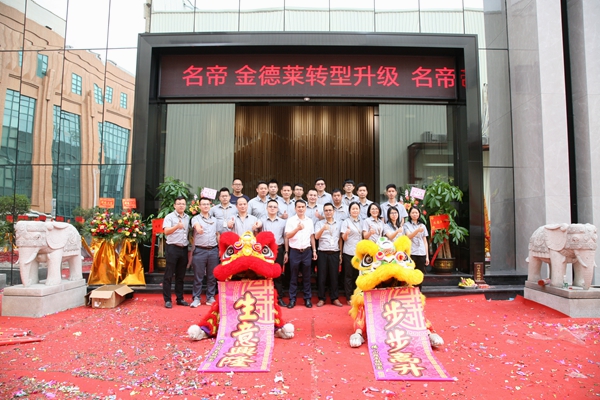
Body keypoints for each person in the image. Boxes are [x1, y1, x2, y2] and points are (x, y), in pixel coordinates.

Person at [285, 199, 317, 308]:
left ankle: (307, 299)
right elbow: (288, 236)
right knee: (293, 277)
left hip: (307, 251)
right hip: (294, 251)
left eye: (303, 207)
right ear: (295, 208)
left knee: (307, 277)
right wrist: (297, 229)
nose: (301, 209)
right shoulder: (291, 220)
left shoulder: (309, 221)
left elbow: (312, 236)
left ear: (305, 208)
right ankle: (292, 299)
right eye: (299, 207)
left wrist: (314, 250)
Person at [190, 197, 220, 307]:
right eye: (203, 204)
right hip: (200, 250)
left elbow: (218, 234)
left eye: (207, 204)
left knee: (212, 276)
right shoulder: (195, 218)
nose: (206, 206)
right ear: (199, 206)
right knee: (198, 276)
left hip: (213, 250)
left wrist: (220, 249)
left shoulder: (215, 220)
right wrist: (199, 229)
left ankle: (210, 297)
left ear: (210, 206)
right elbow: (196, 226)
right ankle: (196, 298)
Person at [162, 196, 190, 308]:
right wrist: (177, 226)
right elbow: (166, 231)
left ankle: (180, 298)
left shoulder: (187, 217)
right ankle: (167, 299)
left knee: (181, 276)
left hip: (184, 249)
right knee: (168, 275)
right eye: (179, 204)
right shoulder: (169, 217)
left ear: (185, 205)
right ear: (174, 205)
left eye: (183, 204)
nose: (181, 206)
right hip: (172, 248)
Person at [314, 203, 343, 307]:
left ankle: (334, 298)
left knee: (334, 277)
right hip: (322, 252)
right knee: (321, 277)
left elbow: (340, 239)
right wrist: (323, 229)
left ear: (333, 211)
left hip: (334, 252)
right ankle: (321, 298)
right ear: (324, 212)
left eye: (330, 210)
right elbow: (316, 237)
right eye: (326, 210)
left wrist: (340, 253)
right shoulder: (319, 223)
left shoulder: (339, 223)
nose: (328, 212)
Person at [261, 199, 289, 307]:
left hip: (279, 249)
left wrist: (286, 251)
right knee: (265, 274)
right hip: (265, 251)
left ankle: (279, 297)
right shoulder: (262, 221)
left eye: (274, 207)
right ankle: (265, 297)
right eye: (270, 206)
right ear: (266, 208)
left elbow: (285, 237)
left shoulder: (282, 222)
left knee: (278, 273)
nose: (272, 208)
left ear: (278, 209)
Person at [341, 202, 362, 305]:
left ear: (359, 210)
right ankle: (349, 296)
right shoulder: (346, 222)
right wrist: (346, 233)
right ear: (349, 211)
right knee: (348, 275)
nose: (355, 210)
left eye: (356, 209)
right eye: (353, 209)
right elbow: (343, 238)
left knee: (357, 275)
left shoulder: (362, 222)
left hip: (359, 253)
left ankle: (357, 295)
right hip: (349, 252)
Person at [404, 206, 429, 289]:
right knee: (411, 273)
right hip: (412, 252)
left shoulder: (423, 225)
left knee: (420, 274)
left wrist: (427, 256)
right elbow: (409, 236)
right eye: (413, 213)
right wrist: (417, 230)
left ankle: (419, 291)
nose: (415, 214)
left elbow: (425, 241)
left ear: (419, 214)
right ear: (409, 214)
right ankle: (411, 292)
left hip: (421, 252)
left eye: (416, 213)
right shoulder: (406, 225)